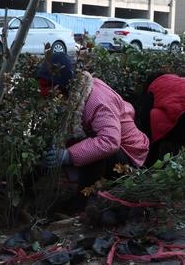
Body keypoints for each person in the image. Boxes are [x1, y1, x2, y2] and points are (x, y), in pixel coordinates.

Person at [37, 52, 149, 189]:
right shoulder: (78, 92)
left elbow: (110, 141)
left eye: (50, 88)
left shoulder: (97, 101)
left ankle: (82, 200)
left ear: (63, 85)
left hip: (130, 157)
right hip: (117, 147)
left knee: (91, 146)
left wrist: (68, 155)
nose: (46, 95)